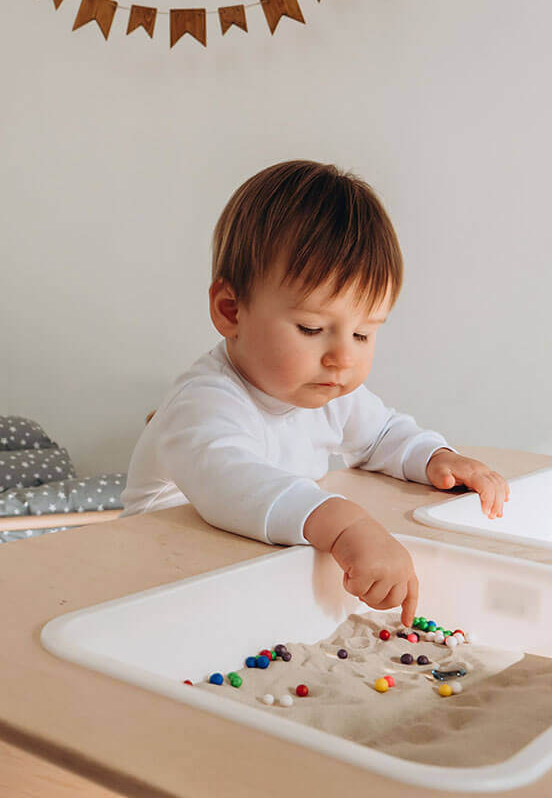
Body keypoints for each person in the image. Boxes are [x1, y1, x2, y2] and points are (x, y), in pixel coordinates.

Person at [120, 160, 510, 627]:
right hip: (155, 583)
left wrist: (435, 458)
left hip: (244, 574)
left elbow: (382, 433)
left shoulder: (326, 393)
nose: (342, 358)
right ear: (231, 311)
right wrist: (347, 525)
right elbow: (234, 485)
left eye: (364, 335)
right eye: (312, 328)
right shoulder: (202, 404)